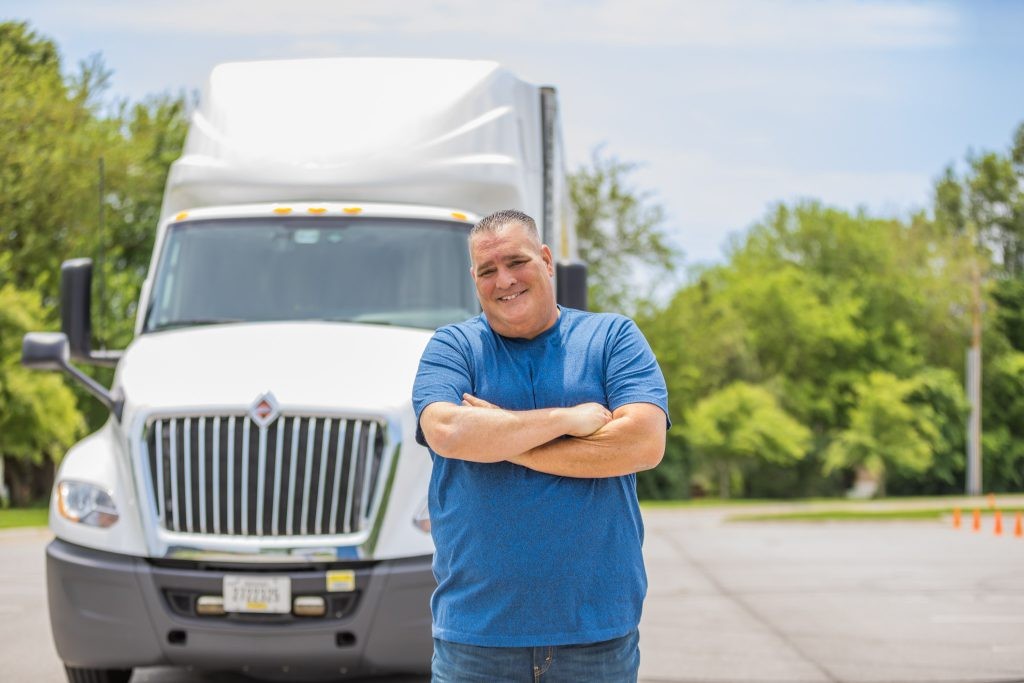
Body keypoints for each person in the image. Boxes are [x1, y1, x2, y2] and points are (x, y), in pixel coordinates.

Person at [412, 209, 669, 682]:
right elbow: (446, 431)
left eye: (517, 262)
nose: (504, 280)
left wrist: (501, 439)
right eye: (487, 271)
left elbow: (643, 442)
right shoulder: (453, 348)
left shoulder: (612, 338)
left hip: (597, 637)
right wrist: (565, 420)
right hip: (476, 639)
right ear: (474, 279)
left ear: (547, 260)